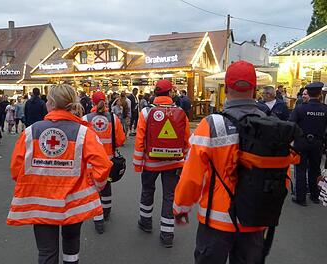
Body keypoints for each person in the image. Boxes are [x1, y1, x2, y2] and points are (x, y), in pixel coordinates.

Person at [173, 61, 267, 263]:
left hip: (216, 222)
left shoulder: (212, 125)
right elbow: (281, 174)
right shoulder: (271, 124)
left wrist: (181, 208)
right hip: (255, 219)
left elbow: (191, 176)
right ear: (255, 88)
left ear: (226, 86)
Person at [7, 84, 112, 264]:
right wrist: (94, 187)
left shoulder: (30, 132)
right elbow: (103, 166)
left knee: (47, 252)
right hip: (73, 203)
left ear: (51, 104)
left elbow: (16, 170)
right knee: (71, 245)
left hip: (41, 204)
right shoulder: (83, 132)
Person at [133, 79, 190, 248]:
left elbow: (139, 140)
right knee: (169, 196)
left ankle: (145, 222)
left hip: (151, 163)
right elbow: (186, 140)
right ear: (170, 93)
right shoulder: (180, 112)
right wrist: (184, 161)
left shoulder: (145, 113)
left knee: (147, 191)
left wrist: (138, 163)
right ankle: (167, 234)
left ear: (155, 93)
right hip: (174, 163)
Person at [83, 91, 126, 234]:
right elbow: (120, 140)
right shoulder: (113, 118)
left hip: (90, 162)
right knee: (106, 186)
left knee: (94, 189)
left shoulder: (85, 119)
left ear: (92, 102)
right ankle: (106, 212)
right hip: (108, 161)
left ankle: (98, 218)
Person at [289, 82, 327, 206]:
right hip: (317, 143)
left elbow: (291, 125)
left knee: (300, 169)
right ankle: (315, 195)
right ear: (320, 93)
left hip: (301, 142)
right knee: (315, 169)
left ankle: (300, 197)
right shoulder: (325, 109)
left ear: (308, 94)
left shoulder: (300, 108)